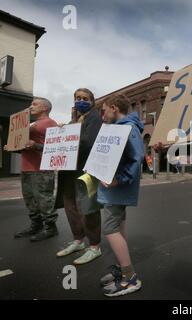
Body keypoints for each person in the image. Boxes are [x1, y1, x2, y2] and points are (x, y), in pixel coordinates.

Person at [97, 94, 144, 297]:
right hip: (112, 187)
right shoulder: (120, 127)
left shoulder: (127, 128)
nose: (102, 115)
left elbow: (137, 157)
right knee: (118, 226)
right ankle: (121, 268)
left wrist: (120, 179)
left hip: (116, 188)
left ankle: (130, 277)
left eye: (104, 110)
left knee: (110, 228)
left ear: (114, 108)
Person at [55, 88, 103, 265]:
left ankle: (94, 247)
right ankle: (78, 240)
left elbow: (88, 142)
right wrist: (62, 132)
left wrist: (70, 135)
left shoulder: (95, 118)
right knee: (70, 207)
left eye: (85, 98)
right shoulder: (73, 120)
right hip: (69, 171)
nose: (80, 101)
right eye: (77, 98)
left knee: (87, 208)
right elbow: (62, 142)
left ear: (92, 102)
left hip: (85, 171)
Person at [5, 97, 58, 241]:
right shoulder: (31, 124)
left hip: (42, 169)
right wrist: (12, 147)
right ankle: (36, 225)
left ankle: (50, 228)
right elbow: (25, 147)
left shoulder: (50, 124)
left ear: (45, 108)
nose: (31, 106)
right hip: (27, 168)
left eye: (35, 104)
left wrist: (36, 146)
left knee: (44, 199)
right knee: (30, 199)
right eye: (31, 104)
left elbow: (56, 148)